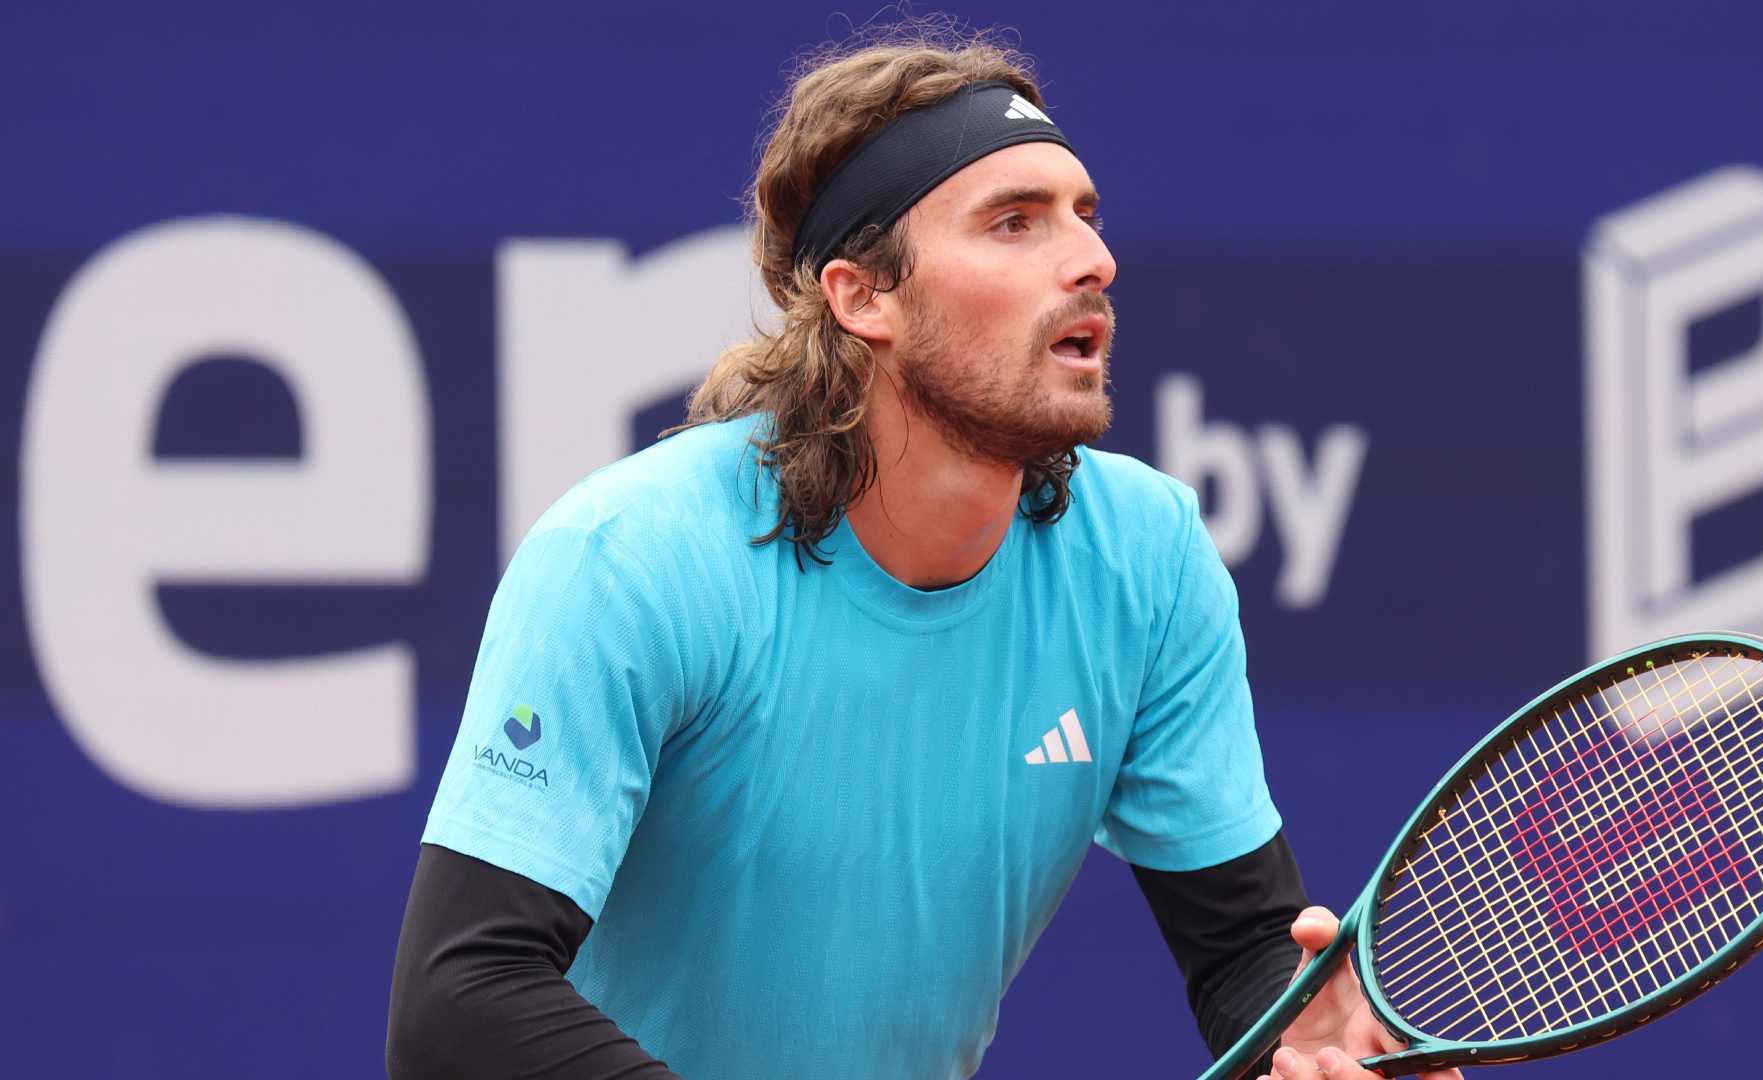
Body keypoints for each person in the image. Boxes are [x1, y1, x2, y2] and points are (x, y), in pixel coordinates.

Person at [387, 27, 1462, 1080]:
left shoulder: (1149, 557)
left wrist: (1311, 1041)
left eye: (1085, 216)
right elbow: (462, 1002)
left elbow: (1244, 949)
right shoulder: (632, 558)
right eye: (1014, 223)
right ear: (864, 297)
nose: (1093, 259)